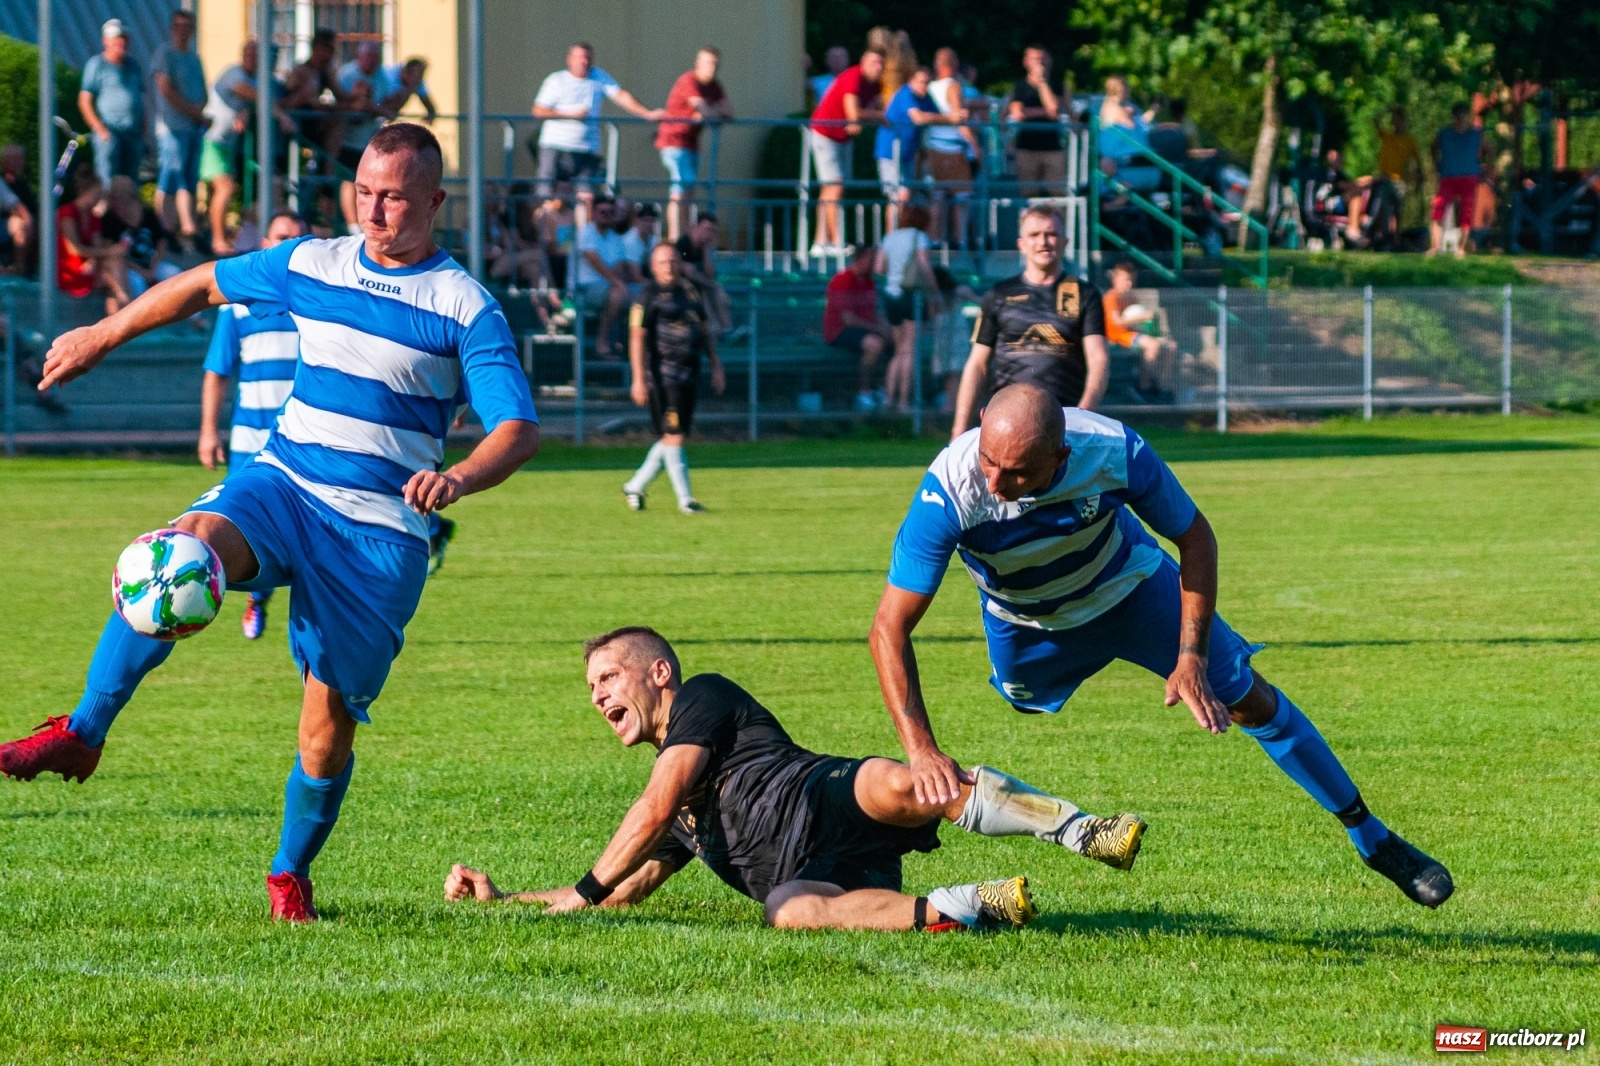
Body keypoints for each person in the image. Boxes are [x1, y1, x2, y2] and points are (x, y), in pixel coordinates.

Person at [0, 123, 541, 925]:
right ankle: (83, 730)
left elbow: (516, 427)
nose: (374, 209)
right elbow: (201, 285)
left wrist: (456, 476)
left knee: (324, 733)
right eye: (363, 190)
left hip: (377, 533)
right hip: (284, 484)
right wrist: (100, 335)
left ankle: (289, 875)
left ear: (434, 201)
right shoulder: (314, 261)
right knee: (181, 551)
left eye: (393, 196)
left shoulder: (464, 305)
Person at [869, 384, 1456, 910]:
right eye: (991, 462)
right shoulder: (951, 487)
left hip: (1132, 590)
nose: (998, 484)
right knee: (1021, 703)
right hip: (1029, 625)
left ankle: (1371, 836)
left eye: (1019, 473)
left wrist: (1191, 658)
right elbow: (888, 629)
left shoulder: (1114, 451)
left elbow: (1195, 538)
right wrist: (920, 749)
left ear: (1062, 456)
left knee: (1247, 699)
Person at [444, 627, 1147, 931]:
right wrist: (506, 898)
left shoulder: (703, 698)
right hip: (816, 873)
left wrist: (590, 889)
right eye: (590, 688)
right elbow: (616, 891)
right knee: (787, 911)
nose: (597, 696)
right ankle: (967, 906)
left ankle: (1079, 827)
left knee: (903, 784)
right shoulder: (683, 828)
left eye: (607, 677)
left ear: (659, 673)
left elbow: (655, 805)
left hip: (826, 796)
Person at [198, 211, 308, 640]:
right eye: (281, 237)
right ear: (264, 242)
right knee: (241, 528)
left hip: (302, 443)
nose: (288, 246)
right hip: (248, 441)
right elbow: (217, 371)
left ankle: (310, 628)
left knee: (303, 537)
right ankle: (256, 599)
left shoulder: (317, 304)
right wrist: (209, 431)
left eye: (297, 240)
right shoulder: (240, 306)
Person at [951, 207, 1108, 439]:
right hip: (1006, 421)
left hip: (1064, 421)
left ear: (1065, 242)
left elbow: (1098, 359)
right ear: (1021, 244)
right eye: (1034, 235)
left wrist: (1083, 415)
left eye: (1051, 234)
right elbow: (977, 364)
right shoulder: (998, 295)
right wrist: (959, 429)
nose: (1043, 242)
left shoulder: (1085, 294)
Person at [621, 244, 726, 514]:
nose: (669, 267)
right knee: (674, 436)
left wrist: (716, 364)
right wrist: (638, 378)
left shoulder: (690, 291)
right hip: (663, 377)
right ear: (653, 266)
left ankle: (635, 485)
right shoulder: (646, 296)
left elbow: (704, 330)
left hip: (690, 372)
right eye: (663, 262)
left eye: (672, 261)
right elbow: (636, 337)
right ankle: (686, 500)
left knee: (671, 438)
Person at [532, 43, 664, 203]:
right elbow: (538, 110)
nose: (584, 62)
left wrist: (647, 114)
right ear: (569, 60)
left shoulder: (598, 77)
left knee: (587, 197)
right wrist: (571, 115)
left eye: (587, 58)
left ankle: (584, 228)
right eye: (580, 57)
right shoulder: (556, 80)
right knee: (547, 195)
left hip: (587, 150)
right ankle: (545, 227)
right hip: (555, 147)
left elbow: (621, 96)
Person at [201, 39, 286, 256]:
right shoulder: (234, 73)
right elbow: (248, 92)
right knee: (225, 188)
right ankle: (218, 240)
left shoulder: (255, 78)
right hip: (211, 139)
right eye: (249, 55)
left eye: (256, 56)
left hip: (227, 142)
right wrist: (282, 116)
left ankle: (215, 234)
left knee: (221, 191)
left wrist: (244, 113)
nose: (252, 60)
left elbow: (247, 101)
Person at [808, 48, 884, 254]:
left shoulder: (875, 84)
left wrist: (869, 117)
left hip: (843, 138)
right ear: (863, 62)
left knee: (830, 190)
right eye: (874, 62)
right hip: (826, 133)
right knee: (835, 186)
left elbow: (872, 109)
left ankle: (819, 243)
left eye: (881, 63)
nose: (878, 67)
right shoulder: (853, 76)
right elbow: (854, 113)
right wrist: (880, 117)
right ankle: (836, 242)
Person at [338, 42, 415, 236]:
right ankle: (353, 226)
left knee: (371, 185)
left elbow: (389, 103)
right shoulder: (347, 75)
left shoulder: (382, 76)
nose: (373, 62)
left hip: (370, 142)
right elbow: (357, 104)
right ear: (359, 57)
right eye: (369, 57)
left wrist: (409, 88)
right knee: (349, 180)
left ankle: (366, 224)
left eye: (375, 57)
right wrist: (380, 110)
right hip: (346, 140)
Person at [656, 48, 732, 242]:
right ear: (698, 63)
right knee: (680, 189)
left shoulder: (714, 85)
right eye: (708, 63)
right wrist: (709, 112)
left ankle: (685, 238)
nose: (712, 68)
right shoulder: (688, 81)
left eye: (715, 63)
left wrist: (709, 112)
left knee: (688, 192)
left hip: (691, 144)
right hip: (673, 142)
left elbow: (728, 112)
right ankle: (676, 239)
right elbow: (704, 109)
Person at [150, 9, 208, 245]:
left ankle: (187, 226)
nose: (182, 31)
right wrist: (192, 111)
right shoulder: (165, 54)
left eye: (187, 26)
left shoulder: (194, 58)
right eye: (178, 26)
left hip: (192, 127)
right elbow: (166, 89)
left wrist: (199, 111)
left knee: (189, 178)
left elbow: (203, 91)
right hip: (172, 126)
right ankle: (165, 226)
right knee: (171, 176)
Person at [877, 204, 937, 411]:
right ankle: (904, 401)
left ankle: (888, 397)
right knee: (909, 351)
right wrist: (934, 291)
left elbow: (879, 268)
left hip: (891, 297)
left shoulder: (890, 237)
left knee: (898, 351)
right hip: (910, 297)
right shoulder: (919, 237)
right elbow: (924, 264)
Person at [79, 20, 146, 189]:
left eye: (124, 38)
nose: (121, 42)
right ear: (106, 41)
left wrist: (143, 130)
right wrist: (100, 130)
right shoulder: (97, 65)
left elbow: (140, 99)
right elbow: (84, 101)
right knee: (107, 179)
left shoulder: (133, 65)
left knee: (130, 182)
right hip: (110, 132)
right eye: (116, 38)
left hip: (132, 133)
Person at [823, 245, 891, 410]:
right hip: (839, 331)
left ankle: (883, 389)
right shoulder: (843, 280)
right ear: (858, 259)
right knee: (874, 345)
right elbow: (848, 319)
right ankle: (864, 392)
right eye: (870, 260)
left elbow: (873, 312)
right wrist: (876, 328)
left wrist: (886, 328)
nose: (873, 264)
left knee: (895, 340)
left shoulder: (868, 282)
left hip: (864, 329)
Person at [55, 169, 130, 316]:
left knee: (115, 263)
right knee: (114, 262)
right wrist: (110, 252)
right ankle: (126, 305)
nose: (100, 198)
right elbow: (74, 249)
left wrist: (94, 260)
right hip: (70, 270)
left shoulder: (93, 217)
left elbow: (97, 246)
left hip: (90, 267)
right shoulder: (67, 213)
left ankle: (121, 310)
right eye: (98, 193)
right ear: (87, 191)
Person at [102, 176, 181, 309]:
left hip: (152, 263)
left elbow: (161, 242)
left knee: (175, 274)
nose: (116, 204)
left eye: (119, 199)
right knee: (137, 283)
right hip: (130, 267)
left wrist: (153, 267)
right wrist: (142, 271)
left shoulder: (148, 214)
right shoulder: (109, 220)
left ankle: (196, 320)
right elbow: (113, 253)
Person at [1102, 261, 1174, 403]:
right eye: (1125, 280)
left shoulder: (1131, 297)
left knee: (1171, 346)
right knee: (1153, 345)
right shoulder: (1111, 298)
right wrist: (1143, 316)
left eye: (1131, 280)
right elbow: (1117, 322)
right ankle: (1144, 386)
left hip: (1132, 334)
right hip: (1117, 337)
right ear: (1115, 279)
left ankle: (1159, 387)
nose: (1128, 284)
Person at [874, 66, 941, 218]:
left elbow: (937, 116)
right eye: (921, 82)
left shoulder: (925, 97)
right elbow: (918, 118)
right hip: (890, 152)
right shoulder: (905, 94)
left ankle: (902, 234)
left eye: (927, 83)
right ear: (911, 81)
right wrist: (951, 119)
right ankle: (892, 239)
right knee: (899, 195)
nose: (924, 86)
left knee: (908, 196)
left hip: (908, 154)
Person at [924, 49, 975, 247]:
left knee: (937, 196)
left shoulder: (930, 86)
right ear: (954, 64)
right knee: (961, 197)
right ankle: (958, 241)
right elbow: (958, 117)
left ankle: (934, 239)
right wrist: (974, 144)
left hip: (934, 146)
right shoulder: (953, 86)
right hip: (952, 148)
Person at [1429, 104, 1488, 257]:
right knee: (1438, 208)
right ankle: (1435, 247)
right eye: (1458, 115)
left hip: (1469, 177)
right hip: (1448, 176)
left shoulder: (1476, 134)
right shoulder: (1444, 134)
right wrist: (1438, 164)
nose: (1461, 118)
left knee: (1466, 212)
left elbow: (1490, 150)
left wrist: (1486, 168)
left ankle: (1461, 248)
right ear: (1454, 116)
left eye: (1463, 114)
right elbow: (1433, 148)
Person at [574, 197, 630, 357]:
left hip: (609, 287)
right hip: (583, 288)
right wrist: (617, 283)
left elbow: (620, 266)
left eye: (610, 212)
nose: (606, 215)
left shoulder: (615, 238)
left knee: (639, 295)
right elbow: (594, 260)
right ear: (593, 213)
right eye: (602, 212)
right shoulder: (585, 232)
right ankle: (602, 341)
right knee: (618, 295)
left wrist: (618, 282)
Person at [1008, 46, 1064, 196]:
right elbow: (1018, 113)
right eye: (1035, 59)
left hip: (1053, 147)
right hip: (1027, 148)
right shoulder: (1020, 86)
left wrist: (1042, 84)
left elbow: (1055, 109)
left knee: (1057, 193)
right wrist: (1046, 112)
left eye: (1042, 58)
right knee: (1028, 193)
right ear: (1026, 62)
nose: (1040, 63)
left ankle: (1059, 219)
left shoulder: (1056, 85)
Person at [674, 212, 733, 339]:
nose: (709, 234)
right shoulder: (684, 244)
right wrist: (708, 283)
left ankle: (726, 330)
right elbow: (686, 271)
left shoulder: (703, 248)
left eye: (713, 231)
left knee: (719, 293)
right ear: (696, 227)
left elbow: (710, 274)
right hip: (682, 288)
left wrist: (706, 250)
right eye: (707, 229)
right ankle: (717, 332)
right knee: (709, 291)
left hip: (702, 287)